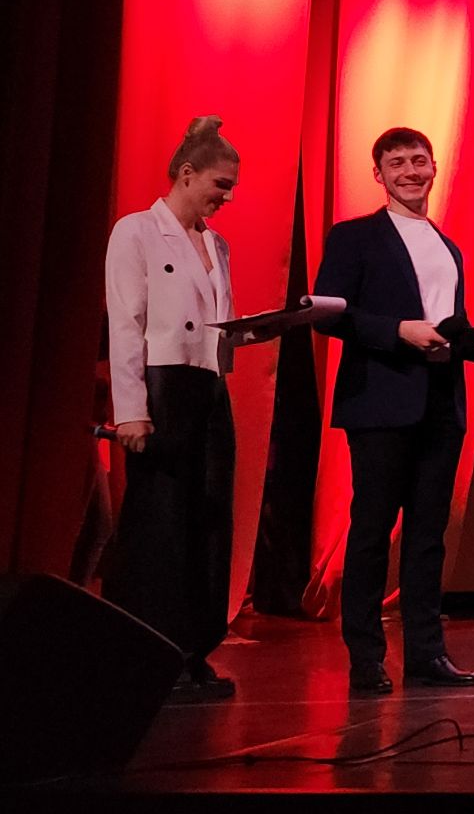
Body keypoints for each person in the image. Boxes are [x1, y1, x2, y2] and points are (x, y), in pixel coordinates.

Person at [314, 127, 474, 695]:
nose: (410, 171)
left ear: (434, 168)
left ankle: (426, 654)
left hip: (440, 403)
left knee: (428, 534)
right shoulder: (355, 237)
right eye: (396, 162)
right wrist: (397, 331)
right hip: (379, 401)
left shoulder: (448, 246)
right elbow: (327, 314)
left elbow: (450, 325)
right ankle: (366, 659)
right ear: (378, 174)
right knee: (372, 529)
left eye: (418, 161)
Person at [102, 116, 243, 700]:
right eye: (220, 183)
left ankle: (195, 647)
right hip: (163, 389)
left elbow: (216, 321)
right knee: (162, 519)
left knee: (210, 514)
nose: (227, 196)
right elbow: (126, 324)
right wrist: (131, 410)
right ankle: (149, 646)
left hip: (208, 388)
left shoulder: (216, 242)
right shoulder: (134, 232)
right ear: (186, 174)